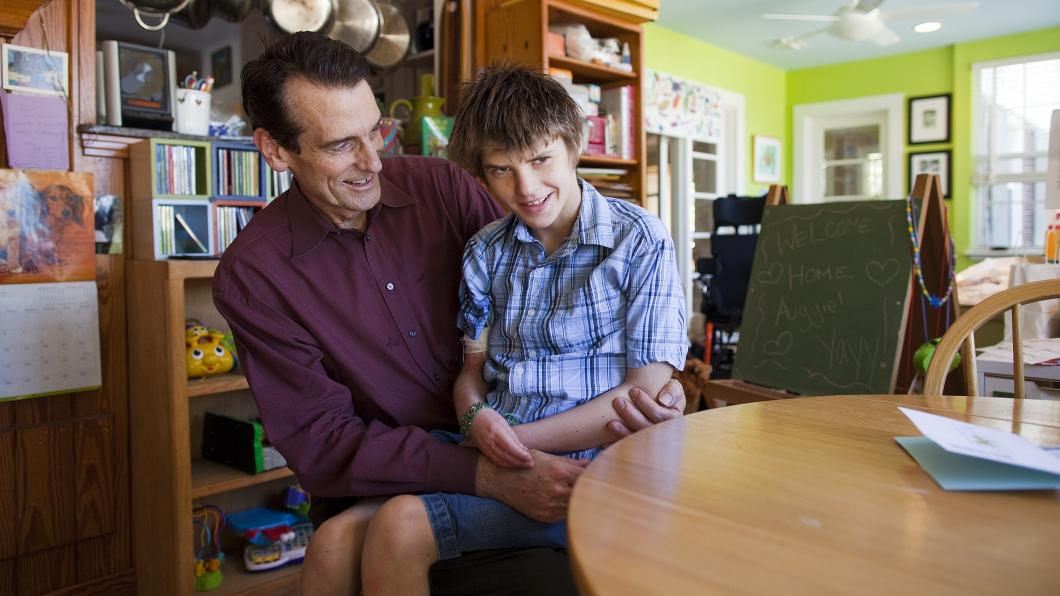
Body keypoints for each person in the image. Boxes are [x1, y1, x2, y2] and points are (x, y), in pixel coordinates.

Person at [213, 32, 687, 595]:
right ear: (274, 151)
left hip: (512, 432)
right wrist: (489, 463)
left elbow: (541, 247)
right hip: (413, 459)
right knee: (333, 545)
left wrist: (658, 383)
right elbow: (324, 446)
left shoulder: (444, 189)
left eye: (375, 132)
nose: (372, 163)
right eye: (342, 145)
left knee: (349, 544)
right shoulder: (255, 275)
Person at [357, 64, 688, 594]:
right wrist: (475, 415)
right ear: (482, 174)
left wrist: (507, 443)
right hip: (504, 450)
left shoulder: (638, 238)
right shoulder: (485, 251)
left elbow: (644, 392)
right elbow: (471, 373)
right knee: (341, 537)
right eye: (501, 170)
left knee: (399, 525)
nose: (527, 187)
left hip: (591, 471)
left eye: (540, 160)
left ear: (573, 145)